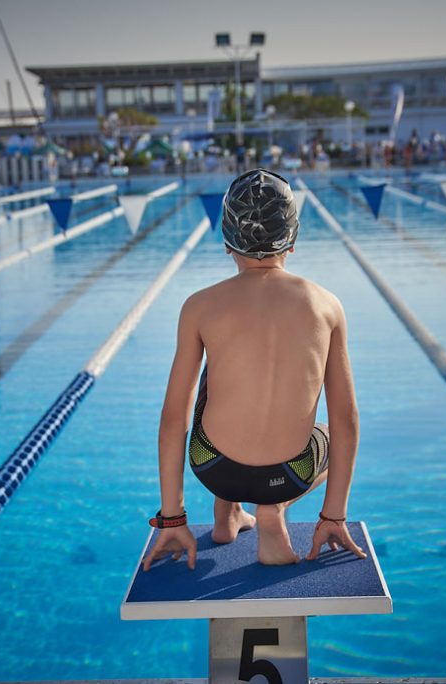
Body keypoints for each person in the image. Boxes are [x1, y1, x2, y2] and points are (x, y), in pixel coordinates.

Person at [142, 169, 366, 570]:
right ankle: (273, 509)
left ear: (227, 242)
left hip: (214, 468)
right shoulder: (326, 306)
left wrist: (173, 518)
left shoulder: (200, 306)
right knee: (329, 434)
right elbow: (346, 420)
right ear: (293, 239)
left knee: (217, 377)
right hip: (290, 474)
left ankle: (227, 514)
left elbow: (173, 418)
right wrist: (333, 515)